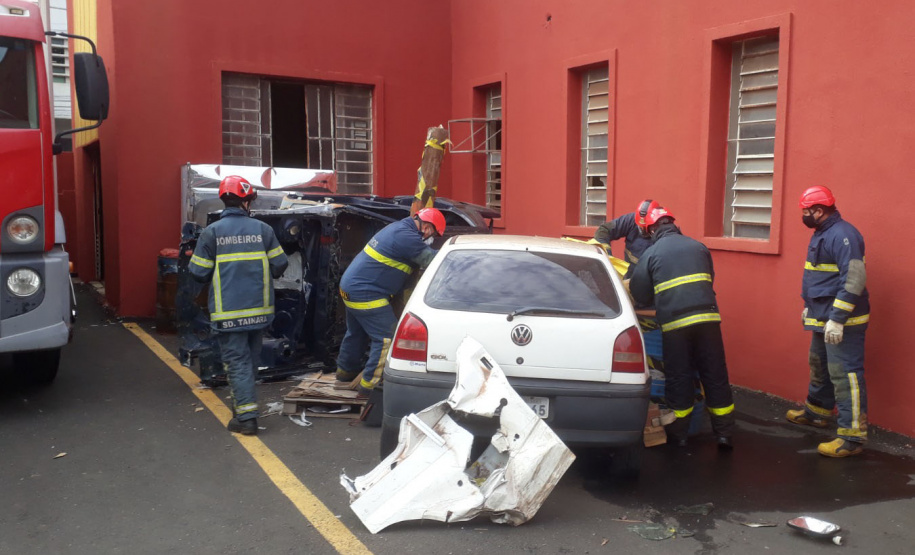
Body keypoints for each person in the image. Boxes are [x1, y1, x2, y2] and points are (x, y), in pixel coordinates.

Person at [628, 203, 735, 449]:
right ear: (672, 223)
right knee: (715, 375)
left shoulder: (652, 254)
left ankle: (680, 435)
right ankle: (724, 434)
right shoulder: (699, 247)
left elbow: (638, 291)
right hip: (708, 321)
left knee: (679, 377)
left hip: (675, 325)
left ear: (652, 228)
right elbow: (708, 280)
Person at [189, 175, 288, 435]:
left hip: (228, 313)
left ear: (224, 200)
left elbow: (197, 272)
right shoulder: (264, 230)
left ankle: (246, 419)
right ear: (245, 201)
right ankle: (246, 410)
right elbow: (280, 265)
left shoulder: (212, 233)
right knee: (250, 361)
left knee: (237, 363)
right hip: (260, 312)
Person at [786, 185, 869, 457]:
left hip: (843, 321)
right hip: (822, 316)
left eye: (807, 211)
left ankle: (852, 437)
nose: (804, 215)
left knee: (845, 375)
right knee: (819, 364)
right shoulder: (823, 232)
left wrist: (838, 319)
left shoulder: (843, 235)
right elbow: (822, 277)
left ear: (819, 211)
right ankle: (818, 411)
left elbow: (853, 279)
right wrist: (810, 308)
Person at [335, 208, 446, 397]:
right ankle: (370, 387)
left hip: (350, 288)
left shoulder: (398, 228)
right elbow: (430, 260)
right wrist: (451, 253)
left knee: (356, 333)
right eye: (433, 234)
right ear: (427, 228)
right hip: (366, 293)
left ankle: (346, 373)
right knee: (386, 338)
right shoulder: (407, 237)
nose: (431, 238)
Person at [593, 199, 657, 277]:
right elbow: (604, 231)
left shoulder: (663, 230)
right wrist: (607, 256)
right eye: (640, 227)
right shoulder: (631, 221)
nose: (642, 230)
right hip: (629, 277)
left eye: (645, 227)